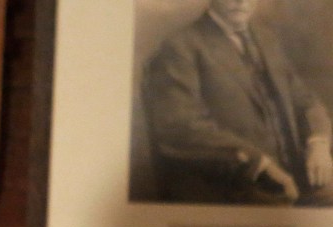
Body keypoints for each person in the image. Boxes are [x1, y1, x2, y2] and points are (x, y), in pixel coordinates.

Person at [143, 0, 333, 206]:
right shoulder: (180, 47)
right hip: (232, 185)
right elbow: (179, 126)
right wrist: (259, 164)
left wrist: (319, 144)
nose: (242, 1)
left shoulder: (266, 38)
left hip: (298, 174)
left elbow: (306, 100)